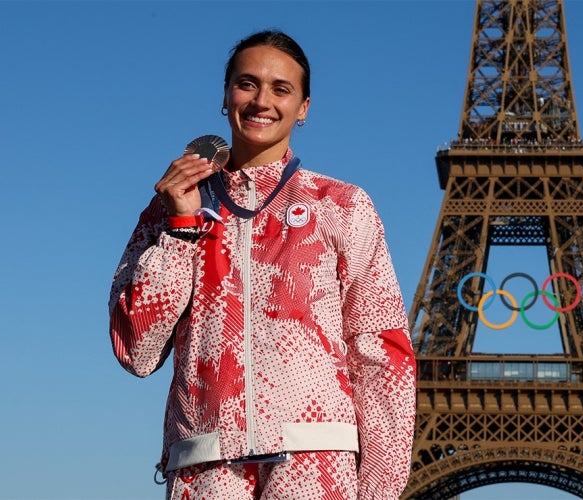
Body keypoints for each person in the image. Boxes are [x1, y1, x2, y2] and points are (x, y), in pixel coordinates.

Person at [108, 29, 416, 500]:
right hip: (205, 466)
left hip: (316, 464)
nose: (261, 101)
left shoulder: (342, 205)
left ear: (304, 107)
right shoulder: (171, 208)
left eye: (281, 88)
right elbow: (136, 351)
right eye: (247, 83)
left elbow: (380, 351)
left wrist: (378, 491)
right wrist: (182, 225)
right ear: (226, 95)